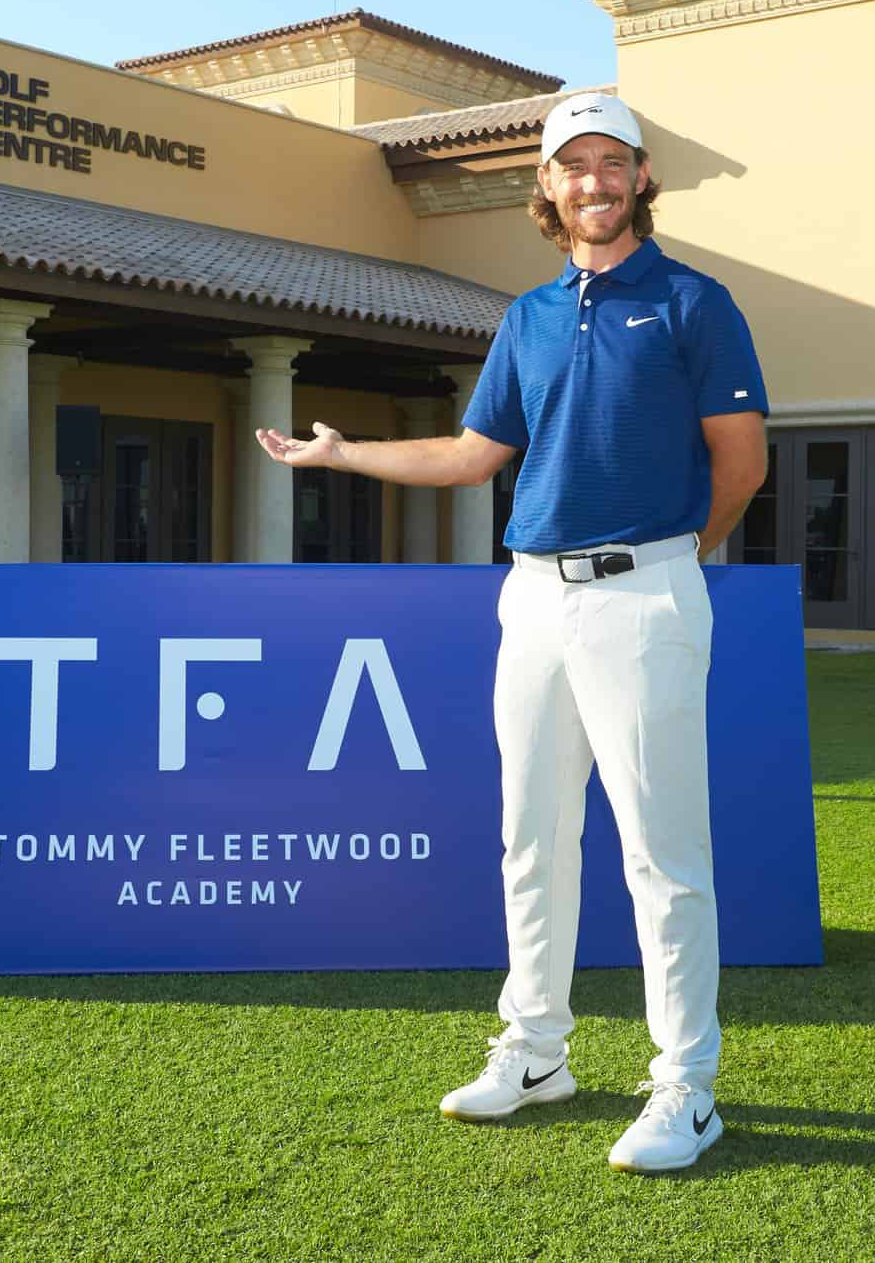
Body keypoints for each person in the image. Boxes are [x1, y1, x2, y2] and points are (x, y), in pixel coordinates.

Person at [255, 92, 768, 1174]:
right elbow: (471, 455)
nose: (593, 181)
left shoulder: (693, 301)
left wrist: (670, 560)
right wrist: (342, 454)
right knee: (530, 836)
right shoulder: (527, 317)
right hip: (531, 597)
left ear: (640, 178)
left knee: (660, 853)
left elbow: (741, 461)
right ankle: (535, 1052)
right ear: (546, 186)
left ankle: (685, 1085)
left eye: (611, 162)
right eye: (572, 165)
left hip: (645, 594)